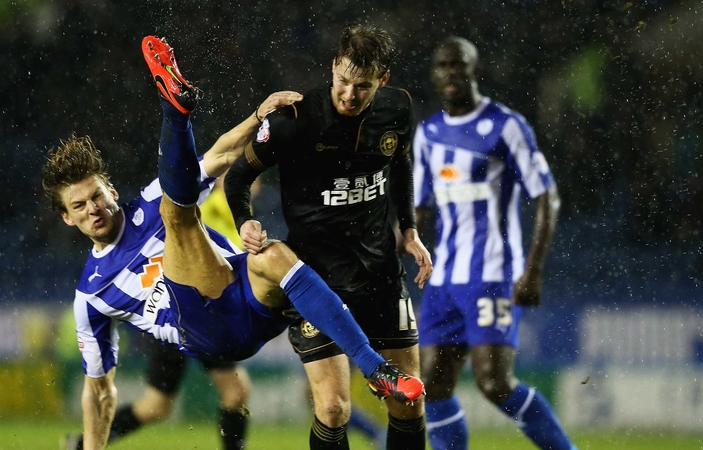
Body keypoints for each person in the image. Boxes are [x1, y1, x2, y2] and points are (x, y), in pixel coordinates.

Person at [41, 35, 424, 450]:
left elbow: (223, 157)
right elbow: (99, 391)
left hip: (249, 295)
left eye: (96, 195)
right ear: (67, 218)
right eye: (79, 206)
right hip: (207, 326)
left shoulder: (147, 201)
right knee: (178, 215)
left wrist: (258, 115)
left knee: (274, 251)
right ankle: (176, 112)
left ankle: (374, 369)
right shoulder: (92, 294)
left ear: (112, 191)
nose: (92, 208)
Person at [224, 23, 432, 450]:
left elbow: (402, 166)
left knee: (409, 404)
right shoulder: (293, 120)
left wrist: (409, 230)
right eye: (343, 81)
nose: (350, 95)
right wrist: (243, 219)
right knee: (334, 408)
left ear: (383, 81)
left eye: (364, 86)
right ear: (333, 66)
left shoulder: (397, 108)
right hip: (315, 283)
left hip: (380, 274)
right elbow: (239, 176)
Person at [412, 37, 576, 450]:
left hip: (492, 272)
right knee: (430, 385)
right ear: (434, 74)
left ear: (475, 71)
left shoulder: (506, 125)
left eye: (459, 65)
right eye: (443, 65)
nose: (451, 72)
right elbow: (418, 209)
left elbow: (547, 197)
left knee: (494, 383)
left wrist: (533, 270)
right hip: (444, 277)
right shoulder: (428, 133)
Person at [60, 332, 251, 450]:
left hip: (207, 321)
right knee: (157, 406)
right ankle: (84, 444)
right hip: (171, 320)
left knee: (236, 392)